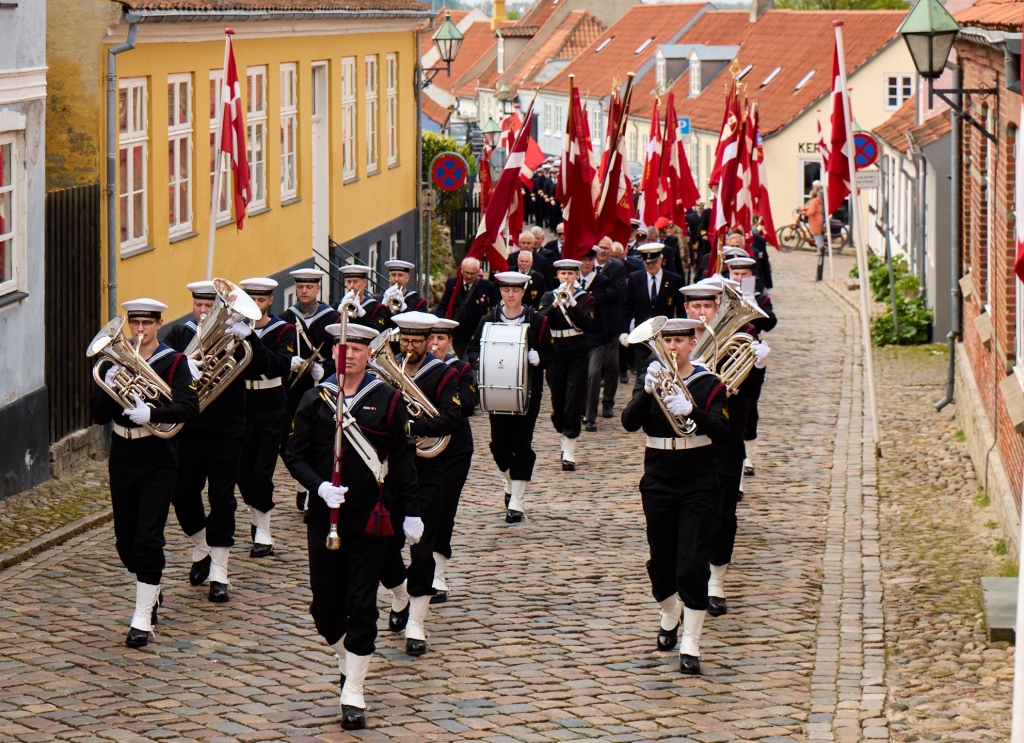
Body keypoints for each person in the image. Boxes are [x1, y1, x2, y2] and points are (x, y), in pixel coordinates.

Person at [284, 321, 422, 731]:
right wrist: (318, 486)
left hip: (369, 518)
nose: (349, 356)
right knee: (325, 609)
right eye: (343, 348)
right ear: (333, 353)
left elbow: (404, 459)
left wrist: (411, 512)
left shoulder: (388, 399)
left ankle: (354, 691)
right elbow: (294, 454)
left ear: (368, 355)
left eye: (358, 349)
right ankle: (349, 660)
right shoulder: (315, 398)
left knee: (361, 603)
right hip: (324, 517)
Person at [621, 316, 730, 675]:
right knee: (660, 562)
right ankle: (670, 612)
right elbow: (628, 422)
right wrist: (645, 392)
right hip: (658, 478)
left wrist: (692, 410)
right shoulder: (651, 378)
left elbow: (724, 432)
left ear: (691, 343)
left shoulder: (710, 383)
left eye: (679, 341)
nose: (671, 348)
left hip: (698, 480)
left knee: (692, 564)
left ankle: (692, 642)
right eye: (666, 341)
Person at [91, 299, 199, 648]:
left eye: (146, 324)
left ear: (159, 324)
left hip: (158, 457)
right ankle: (150, 589)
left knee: (148, 538)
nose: (139, 330)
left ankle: (141, 618)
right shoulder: (115, 362)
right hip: (122, 454)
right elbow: (97, 415)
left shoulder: (175, 361)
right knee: (125, 543)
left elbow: (189, 408)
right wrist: (109, 387)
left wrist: (153, 413)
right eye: (135, 324)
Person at [167, 280, 269, 603]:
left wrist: (249, 338)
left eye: (209, 307)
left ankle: (220, 572)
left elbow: (269, 366)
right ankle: (202, 548)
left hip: (227, 431)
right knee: (182, 493)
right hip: (189, 430)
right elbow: (160, 370)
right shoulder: (179, 335)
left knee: (223, 499)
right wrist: (181, 364)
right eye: (198, 305)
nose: (203, 312)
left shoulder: (236, 337)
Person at [681, 276, 771, 620]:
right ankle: (690, 578)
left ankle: (716, 582)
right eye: (696, 307)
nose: (702, 313)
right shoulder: (675, 341)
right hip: (686, 444)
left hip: (725, 440)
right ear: (687, 309)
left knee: (722, 515)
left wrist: (757, 366)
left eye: (708, 306)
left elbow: (749, 396)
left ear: (717, 306)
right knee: (689, 517)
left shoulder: (734, 341)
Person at [378, 311, 463, 657]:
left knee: (423, 549)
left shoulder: (444, 374)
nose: (409, 347)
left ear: (429, 342)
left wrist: (411, 427)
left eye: (416, 342)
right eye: (404, 341)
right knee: (384, 546)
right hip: (392, 471)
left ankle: (416, 622)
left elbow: (453, 418)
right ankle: (400, 593)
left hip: (428, 471)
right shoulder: (386, 372)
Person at [467, 272, 554, 522]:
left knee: (522, 444)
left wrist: (539, 359)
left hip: (528, 392)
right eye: (506, 290)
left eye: (516, 290)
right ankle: (509, 479)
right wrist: (479, 360)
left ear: (523, 292)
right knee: (499, 445)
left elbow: (551, 353)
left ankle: (517, 500)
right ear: (501, 292)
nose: (511, 295)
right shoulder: (489, 319)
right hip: (496, 390)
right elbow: (473, 349)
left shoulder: (537, 321)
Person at [237, 277, 296, 558]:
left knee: (262, 471)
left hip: (272, 404)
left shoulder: (284, 330)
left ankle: (263, 532)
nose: (256, 305)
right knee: (242, 473)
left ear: (270, 301)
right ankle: (256, 514)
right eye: (252, 300)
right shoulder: (235, 329)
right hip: (241, 403)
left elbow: (278, 366)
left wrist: (250, 339)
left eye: (261, 300)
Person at [427, 318, 477, 603]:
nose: (435, 344)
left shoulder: (461, 369)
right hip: (421, 448)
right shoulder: (411, 369)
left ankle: (438, 573)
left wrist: (445, 386)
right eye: (431, 338)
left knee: (444, 508)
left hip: (454, 449)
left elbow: (468, 406)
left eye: (441, 339)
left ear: (450, 342)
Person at [287, 268, 341, 513]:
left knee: (319, 438)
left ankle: (311, 489)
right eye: (300, 287)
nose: (304, 291)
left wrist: (326, 369)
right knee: (295, 439)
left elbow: (340, 351)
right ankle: (303, 484)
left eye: (309, 287)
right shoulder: (288, 317)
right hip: (295, 389)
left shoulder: (332, 318)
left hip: (322, 386)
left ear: (318, 289)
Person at [539, 259, 596, 471]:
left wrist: (572, 304)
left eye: (570, 274)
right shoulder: (548, 296)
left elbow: (588, 324)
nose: (566, 278)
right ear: (558, 276)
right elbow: (539, 321)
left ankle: (569, 450)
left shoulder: (585, 298)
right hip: (556, 352)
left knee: (574, 400)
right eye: (563, 274)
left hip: (577, 352)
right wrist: (555, 304)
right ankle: (563, 429)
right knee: (558, 400)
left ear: (576, 276)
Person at [724, 256, 778, 478]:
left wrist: (753, 304)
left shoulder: (759, 298)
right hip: (725, 353)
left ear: (751, 276)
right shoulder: (722, 296)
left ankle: (748, 456)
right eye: (735, 274)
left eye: (743, 274)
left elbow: (770, 323)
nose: (738, 278)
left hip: (749, 355)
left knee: (749, 406)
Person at [619, 244, 684, 371]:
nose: (651, 266)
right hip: (642, 335)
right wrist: (624, 331)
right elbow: (627, 307)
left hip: (665, 336)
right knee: (642, 372)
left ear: (661, 260)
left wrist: (682, 333)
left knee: (666, 370)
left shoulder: (673, 279)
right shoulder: (635, 278)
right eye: (647, 263)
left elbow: (680, 309)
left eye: (654, 262)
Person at [586, 237, 628, 423]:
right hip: (591, 324)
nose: (603, 251)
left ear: (611, 251)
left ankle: (608, 402)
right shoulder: (587, 266)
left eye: (606, 248)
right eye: (600, 248)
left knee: (611, 363)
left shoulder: (617, 267)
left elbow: (617, 292)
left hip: (611, 325)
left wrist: (594, 295)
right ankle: (588, 405)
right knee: (592, 369)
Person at [435, 257, 500, 358]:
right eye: (466, 272)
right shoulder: (453, 283)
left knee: (470, 360)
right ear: (461, 270)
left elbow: (495, 309)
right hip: (459, 335)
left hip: (478, 333)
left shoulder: (487, 286)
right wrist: (439, 326)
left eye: (472, 273)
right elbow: (443, 305)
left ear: (478, 272)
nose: (469, 276)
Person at [576, 248, 610, 432]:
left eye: (590, 259)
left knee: (593, 374)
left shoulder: (601, 280)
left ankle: (590, 416)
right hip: (577, 336)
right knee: (579, 376)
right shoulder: (572, 279)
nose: (587, 263)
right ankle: (580, 409)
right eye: (583, 259)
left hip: (596, 335)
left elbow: (592, 300)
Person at [339, 264, 390, 333]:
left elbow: (379, 331)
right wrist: (339, 313)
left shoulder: (376, 307)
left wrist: (362, 314)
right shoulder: (339, 304)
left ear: (365, 283)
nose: (352, 286)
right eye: (348, 282)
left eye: (355, 282)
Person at [803, 180, 825, 281]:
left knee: (817, 235)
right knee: (817, 235)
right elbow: (810, 207)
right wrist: (804, 208)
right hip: (817, 218)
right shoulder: (816, 200)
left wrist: (804, 213)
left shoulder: (815, 201)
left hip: (816, 219)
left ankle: (820, 250)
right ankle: (819, 249)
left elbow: (812, 211)